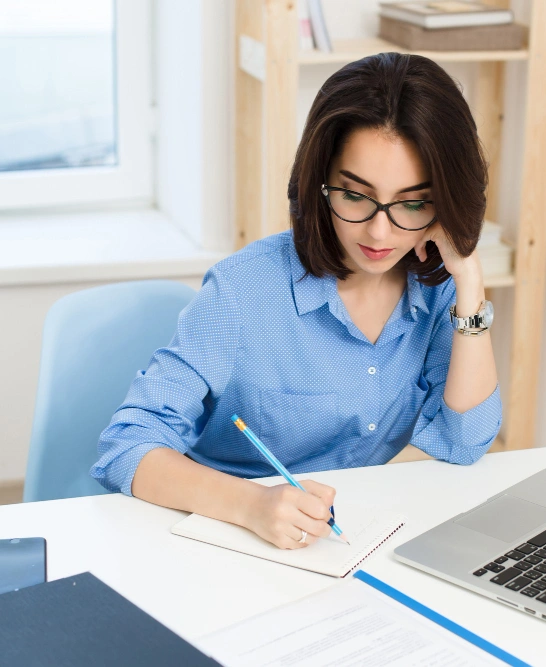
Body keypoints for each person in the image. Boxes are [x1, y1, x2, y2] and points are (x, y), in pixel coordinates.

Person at [91, 52, 501, 550]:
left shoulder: (439, 293)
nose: (379, 231)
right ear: (319, 184)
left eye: (413, 203)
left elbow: (465, 441)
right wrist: (252, 505)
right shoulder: (243, 290)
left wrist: (470, 282)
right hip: (225, 540)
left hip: (342, 546)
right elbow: (126, 446)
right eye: (355, 195)